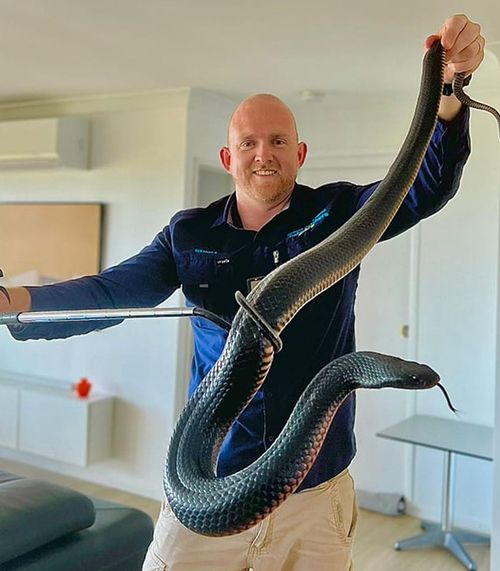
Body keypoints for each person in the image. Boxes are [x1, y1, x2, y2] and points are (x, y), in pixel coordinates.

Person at [0, 14, 485, 571]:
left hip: (315, 490)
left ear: (299, 154)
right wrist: (15, 304)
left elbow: (425, 187)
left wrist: (447, 89)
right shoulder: (188, 233)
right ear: (229, 158)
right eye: (248, 142)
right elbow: (112, 293)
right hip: (208, 485)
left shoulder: (339, 214)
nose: (264, 153)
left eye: (278, 141)